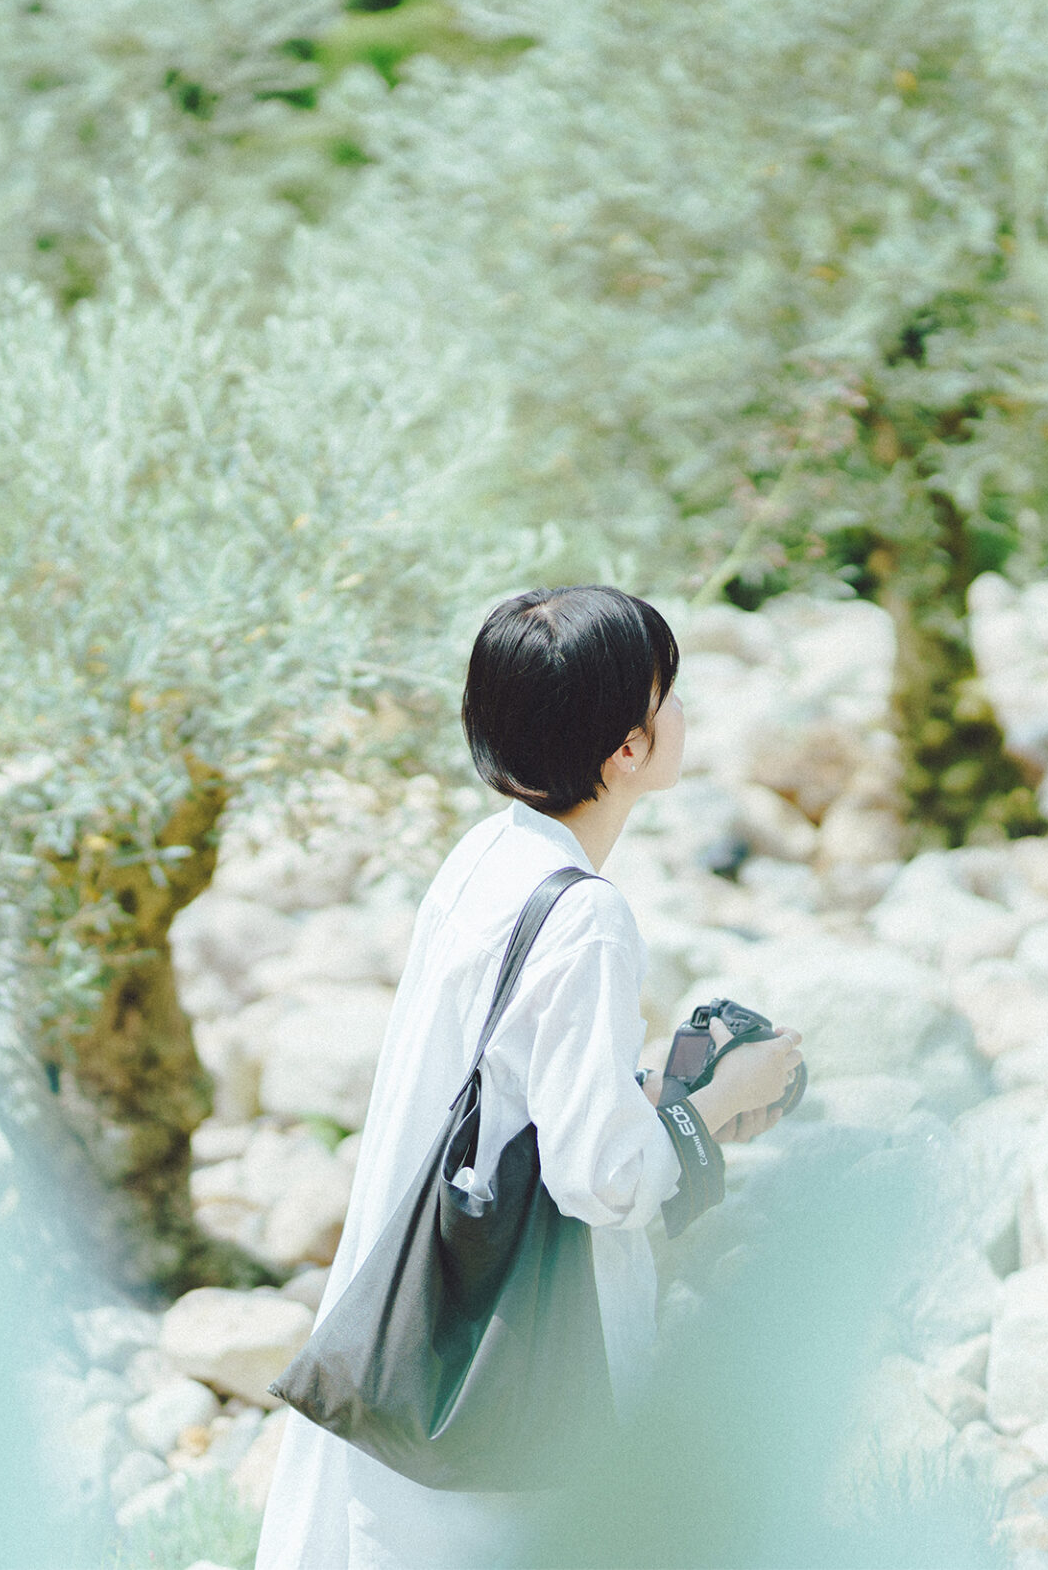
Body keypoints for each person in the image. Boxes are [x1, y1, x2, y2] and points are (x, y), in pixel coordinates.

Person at [255, 585, 804, 1570]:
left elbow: (516, 1099)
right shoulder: (584, 915)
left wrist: (657, 1097)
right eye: (666, 692)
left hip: (408, 1320)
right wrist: (719, 1099)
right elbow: (603, 1178)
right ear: (626, 748)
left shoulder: (486, 857)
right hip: (508, 1375)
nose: (681, 711)